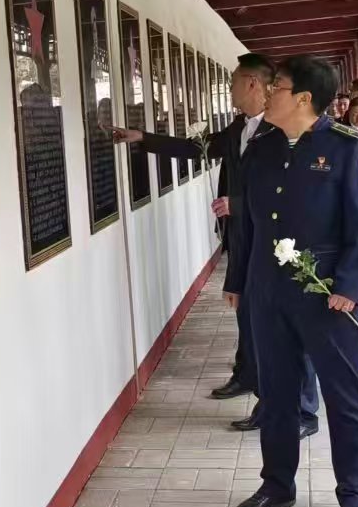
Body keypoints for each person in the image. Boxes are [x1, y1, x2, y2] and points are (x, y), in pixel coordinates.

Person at [117, 54, 320, 434]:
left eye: (233, 82)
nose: (229, 90)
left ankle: (304, 410)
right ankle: (263, 394)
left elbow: (292, 191)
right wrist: (143, 138)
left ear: (252, 84)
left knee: (289, 326)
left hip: (277, 240)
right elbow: (198, 148)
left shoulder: (282, 131)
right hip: (244, 239)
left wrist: (238, 203)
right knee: (254, 322)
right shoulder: (239, 128)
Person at [226, 55, 358, 507]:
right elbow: (249, 224)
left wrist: (349, 287)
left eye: (277, 87)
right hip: (269, 293)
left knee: (344, 396)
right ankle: (277, 484)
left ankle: (356, 497)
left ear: (303, 99)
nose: (267, 93)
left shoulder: (350, 146)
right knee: (276, 393)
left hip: (327, 295)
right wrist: (238, 281)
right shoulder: (262, 147)